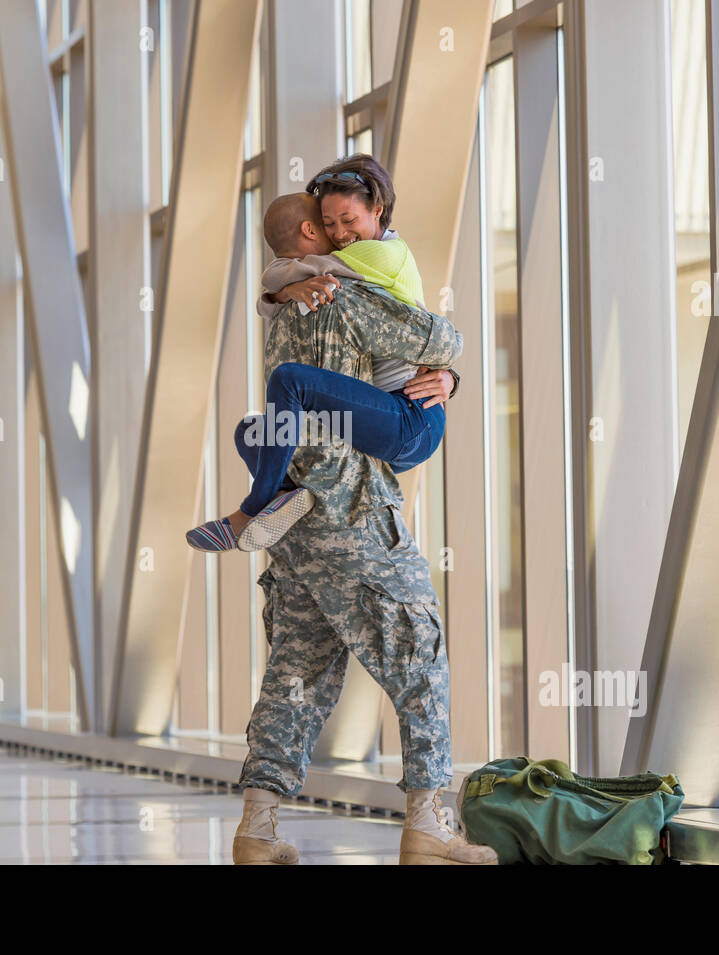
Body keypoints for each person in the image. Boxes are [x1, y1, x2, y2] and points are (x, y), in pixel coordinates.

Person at [230, 271, 497, 866]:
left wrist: (274, 291)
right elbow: (438, 336)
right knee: (420, 657)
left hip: (297, 523)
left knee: (296, 675)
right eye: (332, 224)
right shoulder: (345, 295)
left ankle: (258, 827)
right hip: (353, 510)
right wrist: (448, 376)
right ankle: (427, 823)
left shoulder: (277, 315)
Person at [185, 155, 460, 554]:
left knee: (290, 381)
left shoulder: (382, 255)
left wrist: (281, 289)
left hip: (410, 419)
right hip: (382, 413)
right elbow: (285, 281)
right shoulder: (352, 260)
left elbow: (280, 273)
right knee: (250, 431)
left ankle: (252, 509)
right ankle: (286, 495)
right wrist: (283, 291)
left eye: (348, 220)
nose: (340, 232)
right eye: (330, 224)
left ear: (378, 210)